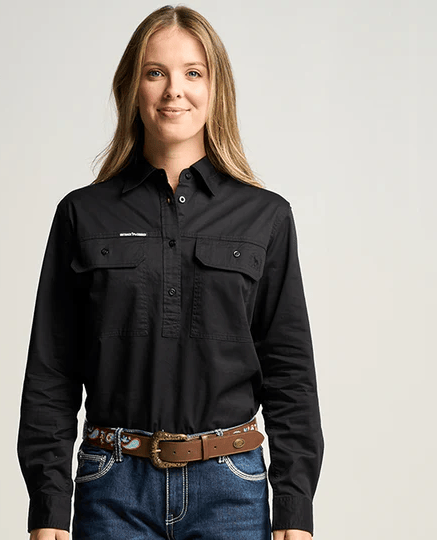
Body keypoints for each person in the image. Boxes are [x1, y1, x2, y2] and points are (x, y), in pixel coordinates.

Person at [17, 5, 325, 540]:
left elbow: (289, 371)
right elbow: (51, 370)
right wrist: (48, 508)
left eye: (193, 72)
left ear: (216, 88)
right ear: (131, 88)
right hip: (111, 489)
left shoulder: (266, 217)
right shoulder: (82, 214)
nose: (174, 90)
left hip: (232, 491)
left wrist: (295, 512)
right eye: (155, 72)